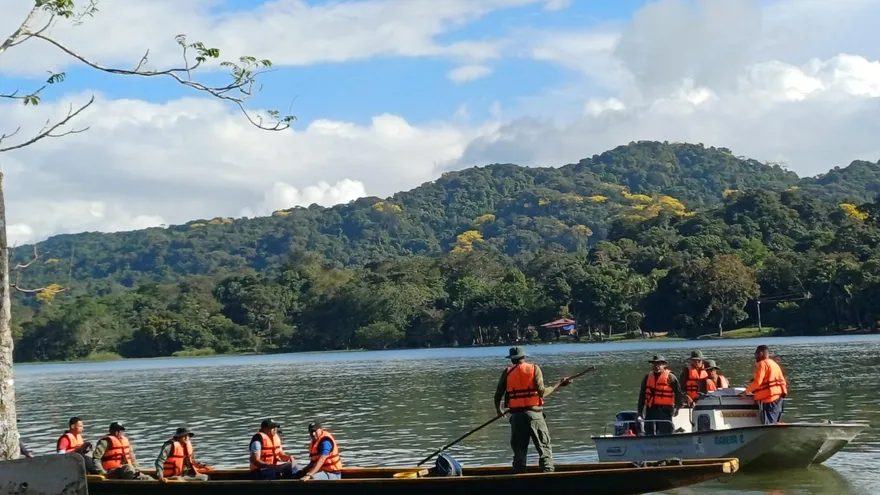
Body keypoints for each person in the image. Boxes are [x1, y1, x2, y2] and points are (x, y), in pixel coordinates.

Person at [493, 346, 572, 474]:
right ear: (523, 357)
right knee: (544, 446)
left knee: (519, 450)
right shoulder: (534, 369)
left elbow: (497, 395)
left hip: (517, 417)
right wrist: (558, 385)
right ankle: (548, 473)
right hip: (535, 415)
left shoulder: (507, 372)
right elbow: (542, 393)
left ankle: (519, 475)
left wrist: (499, 410)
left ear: (512, 359)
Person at [637, 355, 687, 435]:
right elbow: (642, 395)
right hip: (651, 410)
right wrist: (639, 412)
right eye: (655, 364)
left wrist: (677, 408)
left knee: (667, 432)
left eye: (659, 364)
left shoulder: (671, 377)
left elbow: (678, 393)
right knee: (649, 432)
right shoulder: (647, 378)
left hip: (665, 411)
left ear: (664, 365)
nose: (657, 366)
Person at [739, 345, 788, 424]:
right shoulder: (774, 364)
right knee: (776, 422)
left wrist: (745, 392)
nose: (755, 356)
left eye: (756, 354)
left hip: (769, 400)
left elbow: (758, 382)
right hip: (779, 399)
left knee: (769, 424)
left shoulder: (762, 364)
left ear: (761, 353)